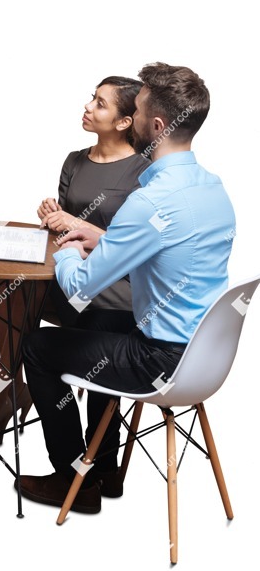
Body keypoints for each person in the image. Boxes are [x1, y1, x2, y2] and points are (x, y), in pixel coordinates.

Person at [20, 62, 235, 514]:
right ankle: (103, 470)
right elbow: (171, 251)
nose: (129, 119)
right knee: (102, 321)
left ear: (155, 125)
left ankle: (70, 480)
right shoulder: (211, 188)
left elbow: (79, 285)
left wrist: (63, 245)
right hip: (206, 356)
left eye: (134, 111)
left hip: (160, 360)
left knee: (38, 346)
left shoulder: (149, 200)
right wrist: (104, 239)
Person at [0, 76, 148, 454]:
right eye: (92, 98)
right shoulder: (75, 161)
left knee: (86, 328)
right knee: (14, 283)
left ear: (125, 122)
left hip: (116, 291)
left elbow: (137, 247)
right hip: (71, 278)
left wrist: (77, 224)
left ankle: (91, 460)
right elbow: (61, 237)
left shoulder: (144, 172)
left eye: (101, 103)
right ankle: (7, 381)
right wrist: (53, 216)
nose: (88, 107)